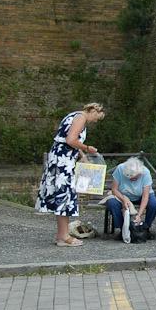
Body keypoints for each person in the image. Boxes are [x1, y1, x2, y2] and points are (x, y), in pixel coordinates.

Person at [36, 103, 105, 247]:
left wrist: (82, 156)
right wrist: (87, 148)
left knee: (62, 196)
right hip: (63, 160)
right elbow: (71, 140)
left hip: (60, 158)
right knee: (64, 196)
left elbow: (68, 140)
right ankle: (63, 236)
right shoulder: (81, 118)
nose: (95, 121)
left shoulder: (74, 115)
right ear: (93, 111)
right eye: (97, 118)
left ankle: (62, 234)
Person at [107, 156, 156, 239]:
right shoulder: (120, 169)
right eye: (131, 178)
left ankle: (146, 228)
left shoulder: (145, 172)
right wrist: (124, 200)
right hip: (123, 195)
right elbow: (114, 189)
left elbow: (145, 196)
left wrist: (139, 215)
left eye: (136, 177)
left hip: (141, 195)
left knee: (154, 204)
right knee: (112, 203)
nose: (133, 179)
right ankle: (122, 229)